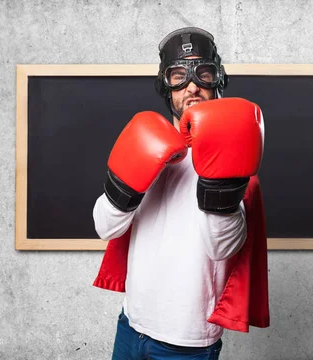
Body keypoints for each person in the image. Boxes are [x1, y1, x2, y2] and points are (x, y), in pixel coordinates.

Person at [92, 27, 270, 360]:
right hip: (131, 324)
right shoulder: (146, 142)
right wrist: (126, 186)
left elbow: (221, 248)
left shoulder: (235, 158)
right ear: (165, 85)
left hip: (186, 342)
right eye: (179, 75)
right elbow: (105, 228)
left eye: (203, 73)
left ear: (217, 80)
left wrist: (221, 186)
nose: (191, 85)